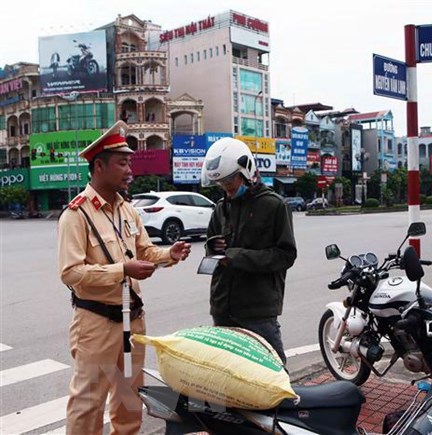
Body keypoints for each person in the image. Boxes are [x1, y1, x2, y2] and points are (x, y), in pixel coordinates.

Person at [57, 120, 191, 435]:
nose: (129, 169)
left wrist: (169, 255)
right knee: (88, 404)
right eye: (122, 163)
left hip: (133, 322)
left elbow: (145, 251)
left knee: (129, 399)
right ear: (99, 166)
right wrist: (122, 271)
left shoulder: (127, 210)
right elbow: (70, 273)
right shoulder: (76, 216)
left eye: (129, 162)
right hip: (96, 323)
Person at [200, 137, 297, 364]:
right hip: (223, 308)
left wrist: (235, 256)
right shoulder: (220, 209)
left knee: (273, 372)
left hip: (258, 310)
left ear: (246, 171)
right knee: (229, 373)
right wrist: (212, 249)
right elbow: (210, 246)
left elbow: (286, 255)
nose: (226, 187)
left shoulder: (274, 206)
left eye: (229, 180)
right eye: (221, 183)